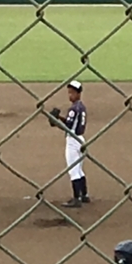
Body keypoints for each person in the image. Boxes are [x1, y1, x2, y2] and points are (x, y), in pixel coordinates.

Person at [48, 80, 89, 208]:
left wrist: (55, 122)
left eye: (72, 93)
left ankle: (76, 199)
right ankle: (84, 195)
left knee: (73, 171)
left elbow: (68, 127)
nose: (70, 95)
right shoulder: (81, 107)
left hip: (72, 141)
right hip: (81, 139)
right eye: (69, 93)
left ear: (78, 93)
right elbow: (71, 123)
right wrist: (59, 118)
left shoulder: (73, 109)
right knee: (79, 170)